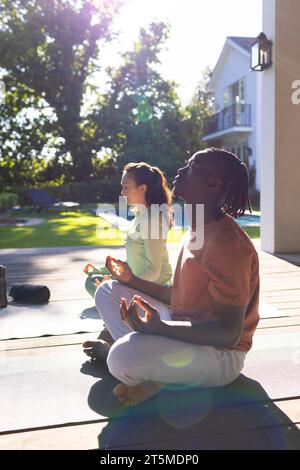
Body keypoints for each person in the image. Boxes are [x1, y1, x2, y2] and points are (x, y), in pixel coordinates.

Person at [83, 148, 260, 407]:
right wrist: (131, 280)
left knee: (121, 357)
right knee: (108, 291)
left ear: (211, 184)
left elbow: (228, 333)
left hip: (220, 356)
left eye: (192, 167)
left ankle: (151, 371)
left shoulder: (228, 245)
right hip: (184, 326)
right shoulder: (197, 230)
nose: (179, 171)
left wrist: (160, 328)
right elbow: (176, 295)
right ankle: (157, 372)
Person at [83, 162, 173, 297]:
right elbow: (135, 261)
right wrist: (104, 271)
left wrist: (120, 282)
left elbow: (153, 273)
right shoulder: (140, 216)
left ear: (142, 188)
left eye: (126, 187)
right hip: (137, 283)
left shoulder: (153, 220)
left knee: (93, 284)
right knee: (93, 278)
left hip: (154, 290)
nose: (122, 192)